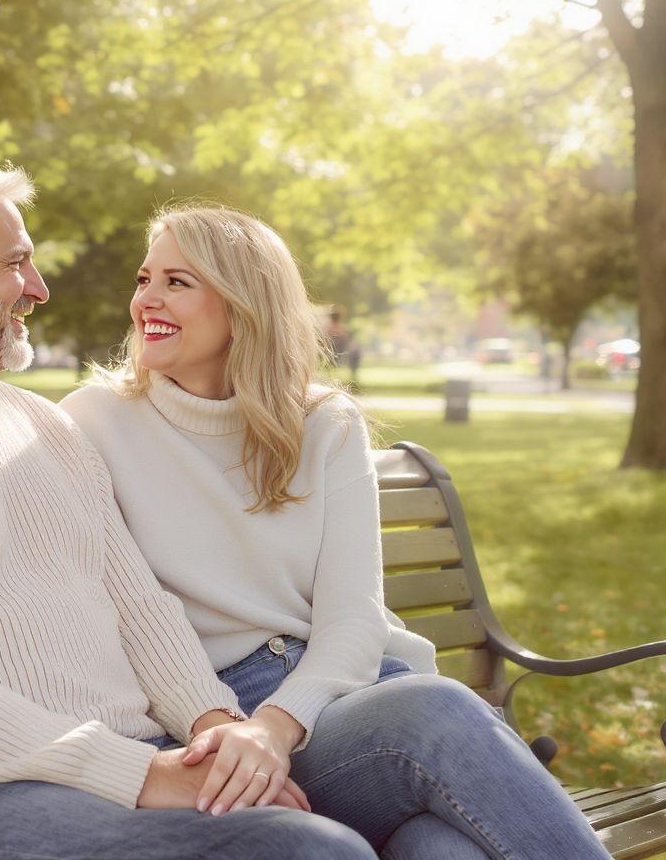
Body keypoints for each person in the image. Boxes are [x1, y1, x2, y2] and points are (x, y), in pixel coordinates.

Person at [0, 160, 380, 860]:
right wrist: (142, 773)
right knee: (311, 854)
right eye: (17, 263)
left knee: (371, 835)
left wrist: (217, 729)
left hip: (127, 761)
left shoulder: (42, 425)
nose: (38, 288)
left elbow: (138, 607)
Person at [60, 203, 608, 859]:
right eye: (145, 278)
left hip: (346, 690)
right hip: (218, 716)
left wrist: (276, 727)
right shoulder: (93, 423)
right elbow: (131, 617)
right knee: (437, 717)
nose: (146, 298)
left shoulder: (325, 423)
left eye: (177, 282)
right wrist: (239, 730)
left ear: (244, 304)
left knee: (441, 849)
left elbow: (353, 617)